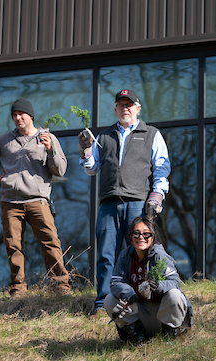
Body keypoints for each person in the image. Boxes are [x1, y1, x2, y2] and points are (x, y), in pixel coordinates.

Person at [79, 89, 171, 316]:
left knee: (138, 254)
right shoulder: (104, 136)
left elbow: (162, 168)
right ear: (115, 109)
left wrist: (157, 196)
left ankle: (139, 299)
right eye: (121, 105)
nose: (125, 109)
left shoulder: (151, 133)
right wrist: (85, 150)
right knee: (106, 254)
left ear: (138, 108)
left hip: (138, 202)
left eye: (129, 105)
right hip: (109, 203)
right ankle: (103, 302)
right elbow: (92, 169)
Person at [0, 98, 70, 297]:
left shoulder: (47, 138)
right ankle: (18, 288)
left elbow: (60, 170)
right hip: (10, 201)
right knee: (13, 246)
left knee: (50, 242)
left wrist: (50, 149)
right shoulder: (3, 140)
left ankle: (60, 285)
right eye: (14, 115)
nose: (18, 118)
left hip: (38, 200)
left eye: (21, 114)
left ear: (31, 116)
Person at [105, 216, 193, 344]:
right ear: (130, 237)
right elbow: (115, 282)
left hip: (162, 312)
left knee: (175, 294)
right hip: (140, 313)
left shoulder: (160, 255)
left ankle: (169, 335)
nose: (141, 237)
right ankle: (137, 337)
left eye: (146, 234)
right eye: (136, 233)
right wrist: (129, 293)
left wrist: (157, 286)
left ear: (153, 237)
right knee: (109, 299)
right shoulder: (125, 256)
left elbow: (175, 282)